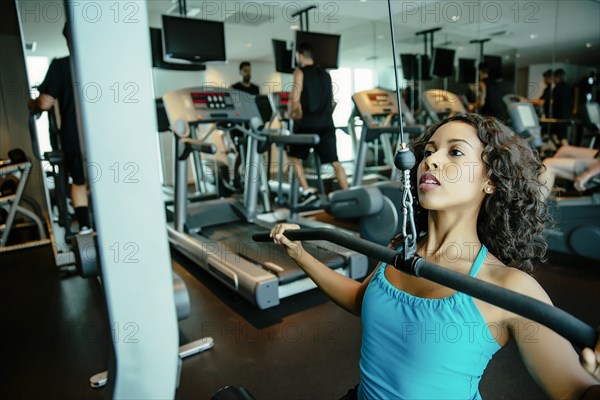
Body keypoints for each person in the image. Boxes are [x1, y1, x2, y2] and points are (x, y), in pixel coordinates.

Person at [269, 114, 600, 399]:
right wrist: (299, 253)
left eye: (454, 152)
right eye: (429, 152)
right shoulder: (404, 250)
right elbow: (360, 298)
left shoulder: (510, 287)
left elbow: (575, 390)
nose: (431, 160)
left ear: (490, 180)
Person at [28, 23, 91, 233]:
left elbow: (45, 103)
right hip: (104, 135)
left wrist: (33, 104)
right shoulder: (100, 63)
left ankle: (84, 227)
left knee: (79, 182)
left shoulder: (62, 66)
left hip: (76, 137)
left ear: (68, 40)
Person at [287, 42, 348, 206]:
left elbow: (294, 101)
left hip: (306, 125)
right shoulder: (326, 74)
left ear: (299, 55)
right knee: (335, 162)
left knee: (293, 157)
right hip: (327, 123)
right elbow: (332, 102)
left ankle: (307, 191)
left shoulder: (299, 72)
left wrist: (291, 114)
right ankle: (349, 195)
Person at [225, 61, 260, 190]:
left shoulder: (255, 89)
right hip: (237, 125)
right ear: (240, 72)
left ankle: (251, 179)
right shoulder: (234, 87)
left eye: (249, 70)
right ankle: (234, 178)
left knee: (252, 151)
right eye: (245, 70)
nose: (248, 73)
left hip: (251, 124)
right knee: (241, 151)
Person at [551, 68, 575, 146]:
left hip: (559, 115)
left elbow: (553, 102)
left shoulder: (557, 88)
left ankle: (566, 151)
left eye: (554, 78)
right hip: (567, 114)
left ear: (557, 77)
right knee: (562, 135)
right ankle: (564, 149)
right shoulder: (568, 87)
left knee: (561, 136)